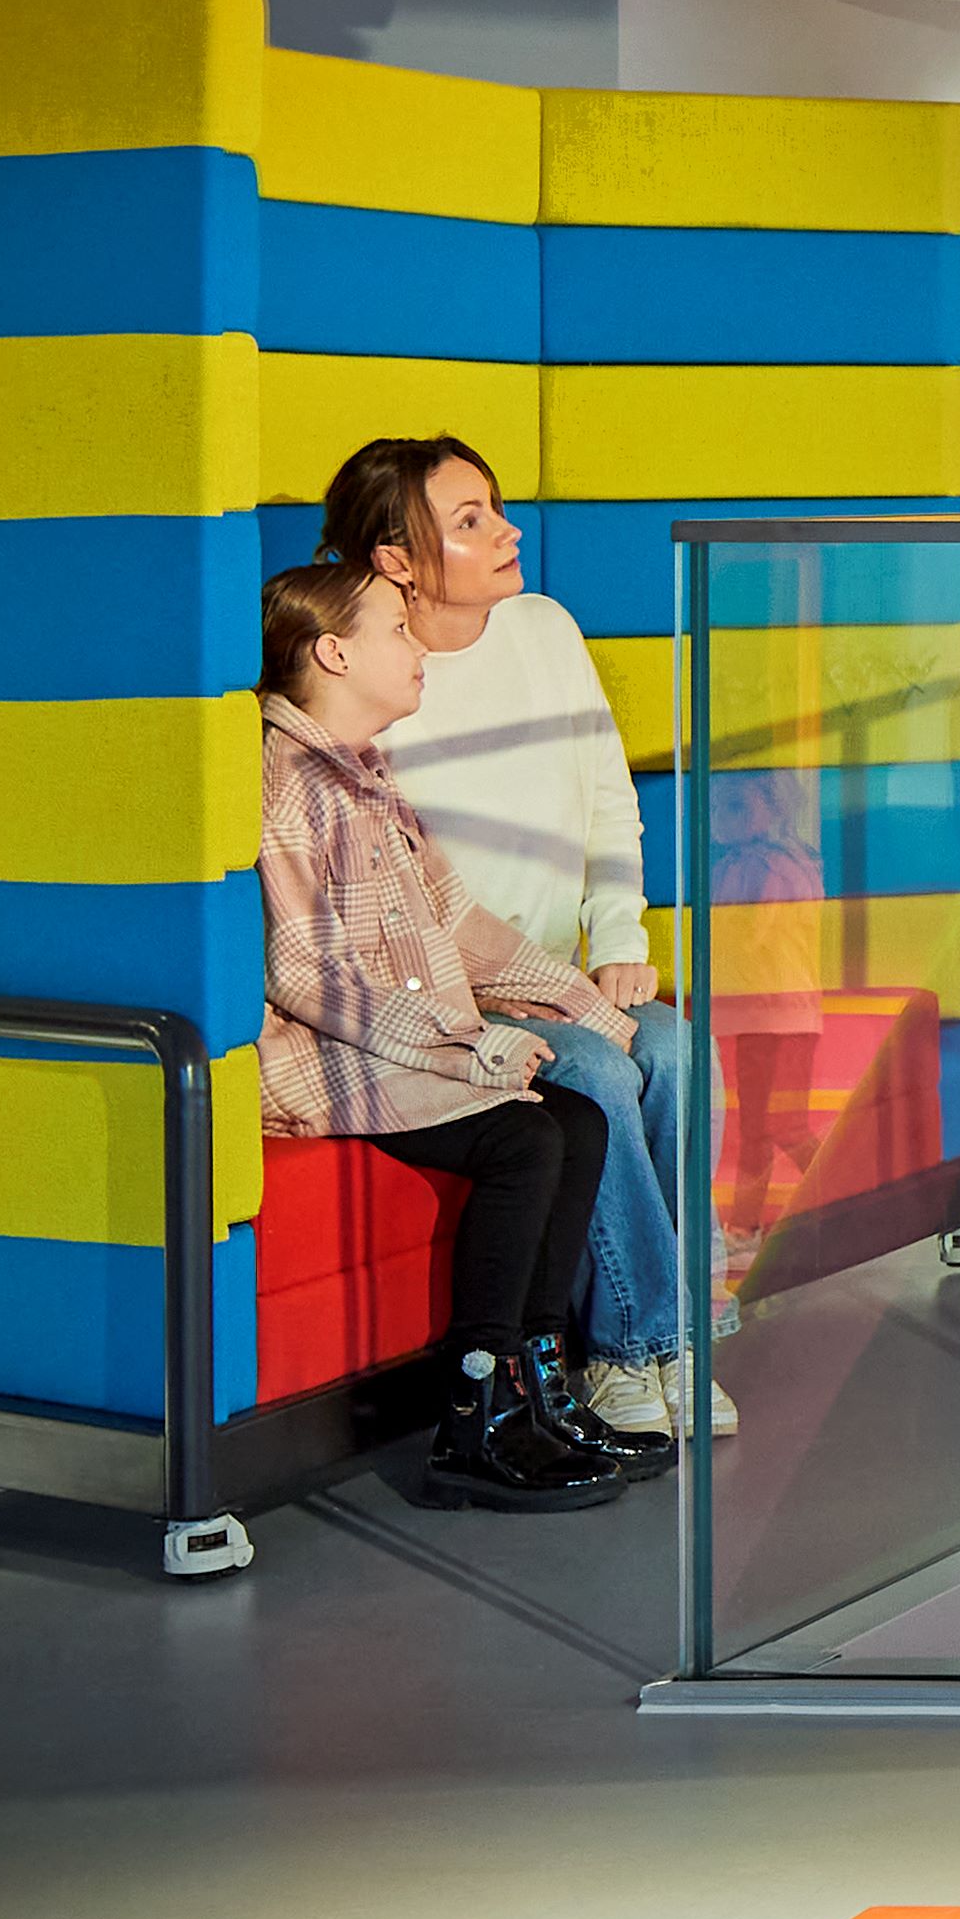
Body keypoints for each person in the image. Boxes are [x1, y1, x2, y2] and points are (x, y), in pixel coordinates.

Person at [324, 433, 713, 1446]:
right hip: (457, 1002)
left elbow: (607, 799)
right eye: (470, 519)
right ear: (397, 559)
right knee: (595, 1069)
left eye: (496, 506)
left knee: (679, 1053)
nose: (507, 530)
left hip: (562, 974)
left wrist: (618, 939)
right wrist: (512, 996)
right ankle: (630, 1352)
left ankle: (681, 1341)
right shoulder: (374, 677)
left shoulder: (545, 627)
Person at [254, 558, 649, 1513]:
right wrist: (468, 1050)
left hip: (389, 1048)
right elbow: (306, 976)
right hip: (329, 1060)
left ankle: (541, 1389)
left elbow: (460, 925)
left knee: (581, 1121)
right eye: (395, 630)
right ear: (334, 653)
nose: (416, 647)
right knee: (525, 1139)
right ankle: (474, 1417)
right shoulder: (288, 783)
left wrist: (586, 1006)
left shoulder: (368, 776)